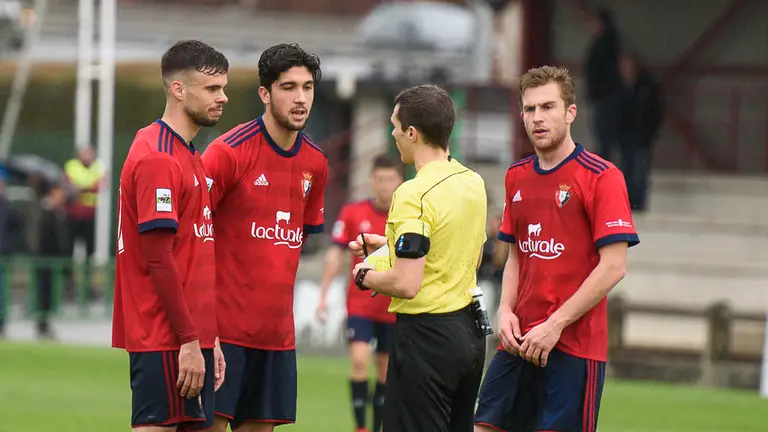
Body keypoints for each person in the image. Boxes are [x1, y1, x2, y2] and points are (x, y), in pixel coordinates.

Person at [473, 66, 640, 432]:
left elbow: (613, 267)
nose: (538, 118)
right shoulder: (516, 174)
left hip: (574, 346)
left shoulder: (602, 176)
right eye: (530, 109)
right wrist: (504, 309)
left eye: (548, 107)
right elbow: (517, 252)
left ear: (570, 113)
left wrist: (555, 324)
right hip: (518, 341)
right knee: (484, 425)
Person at [201, 43, 327, 432]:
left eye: (307, 87)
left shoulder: (317, 164)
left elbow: (294, 244)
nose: (300, 98)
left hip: (277, 338)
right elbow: (191, 237)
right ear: (265, 93)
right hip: (223, 334)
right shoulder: (227, 153)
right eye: (288, 87)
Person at [350, 84, 488, 432]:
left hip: (427, 338)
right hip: (470, 333)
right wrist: (388, 245)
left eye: (396, 126)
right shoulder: (473, 182)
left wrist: (364, 275)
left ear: (413, 133)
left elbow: (406, 283)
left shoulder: (413, 192)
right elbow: (463, 254)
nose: (393, 133)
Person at [111, 40, 229, 432]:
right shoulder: (158, 156)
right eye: (212, 89)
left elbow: (194, 252)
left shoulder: (188, 152)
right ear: (179, 90)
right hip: (166, 338)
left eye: (224, 88)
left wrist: (210, 340)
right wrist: (190, 340)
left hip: (192, 338)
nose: (223, 97)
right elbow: (158, 257)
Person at [316, 153, 403, 432]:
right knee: (358, 360)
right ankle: (360, 428)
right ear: (370, 180)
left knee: (384, 371)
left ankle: (377, 427)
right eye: (379, 179)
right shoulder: (353, 213)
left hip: (393, 306)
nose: (384, 185)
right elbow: (335, 255)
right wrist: (323, 294)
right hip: (359, 305)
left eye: (389, 179)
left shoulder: (405, 216)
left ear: (399, 181)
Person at [618, 51, 664, 212]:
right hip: (625, 140)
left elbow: (655, 112)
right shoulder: (620, 90)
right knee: (626, 175)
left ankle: (638, 208)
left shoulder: (646, 88)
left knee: (639, 175)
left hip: (642, 139)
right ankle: (628, 208)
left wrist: (649, 134)